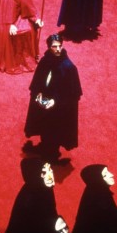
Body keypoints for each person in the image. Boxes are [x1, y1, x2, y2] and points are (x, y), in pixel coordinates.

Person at [23, 34, 82, 163]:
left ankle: (52, 153)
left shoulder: (68, 68)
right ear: (49, 47)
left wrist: (55, 101)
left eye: (59, 46)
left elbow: (72, 94)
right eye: (54, 47)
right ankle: (44, 146)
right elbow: (39, 80)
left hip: (59, 108)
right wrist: (38, 93)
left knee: (54, 130)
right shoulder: (46, 60)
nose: (58, 49)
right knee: (44, 126)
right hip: (45, 102)